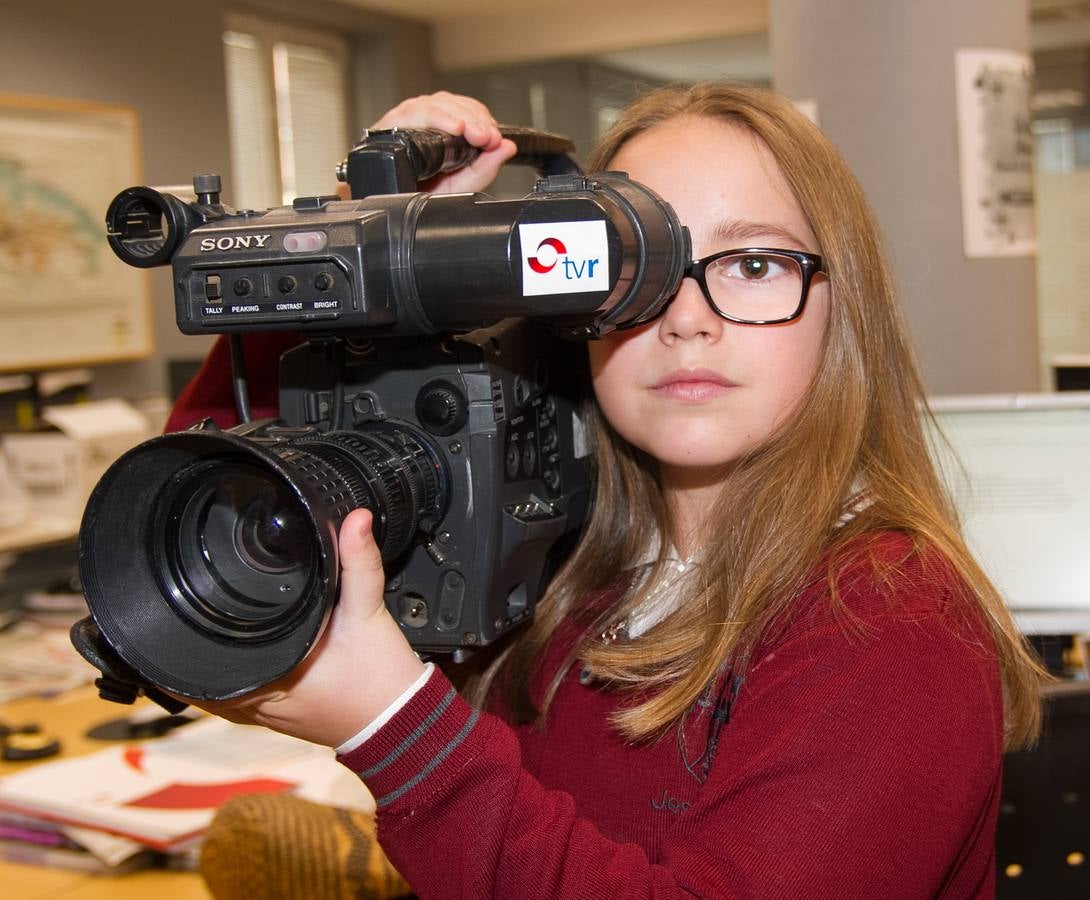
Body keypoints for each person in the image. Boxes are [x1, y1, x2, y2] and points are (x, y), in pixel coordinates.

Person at [175, 84, 1047, 898]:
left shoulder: (892, 622)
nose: (686, 317)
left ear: (840, 304)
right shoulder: (567, 550)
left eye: (752, 265)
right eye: (637, 270)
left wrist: (397, 733)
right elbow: (205, 525)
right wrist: (353, 242)